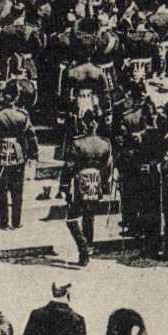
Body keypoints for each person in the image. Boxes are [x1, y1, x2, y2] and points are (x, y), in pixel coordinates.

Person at [59, 107, 112, 266]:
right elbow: (107, 167)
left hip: (80, 182)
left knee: (71, 218)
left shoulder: (77, 143)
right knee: (89, 218)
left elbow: (69, 167)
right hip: (96, 182)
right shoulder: (104, 144)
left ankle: (84, 248)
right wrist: (102, 183)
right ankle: (86, 254)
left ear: (83, 123)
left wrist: (64, 186)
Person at [0, 81, 39, 230]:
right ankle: (16, 222)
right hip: (18, 155)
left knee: (1, 190)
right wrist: (33, 155)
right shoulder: (22, 116)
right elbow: (31, 137)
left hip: (1, 155)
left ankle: (3, 222)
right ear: (16, 97)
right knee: (17, 191)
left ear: (3, 97)